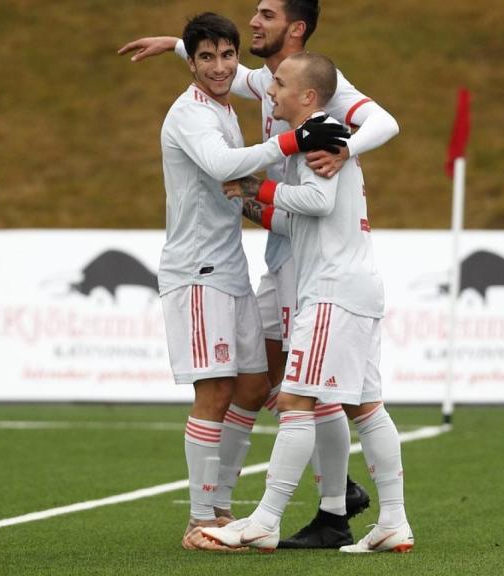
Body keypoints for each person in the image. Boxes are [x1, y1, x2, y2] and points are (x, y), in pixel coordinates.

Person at [119, 0, 400, 548]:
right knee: (262, 387)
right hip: (275, 257)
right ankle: (249, 507)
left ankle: (323, 509)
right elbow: (224, 69)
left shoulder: (319, 99)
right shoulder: (267, 85)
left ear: (294, 30)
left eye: (266, 15)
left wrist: (338, 149)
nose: (254, 23)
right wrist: (178, 45)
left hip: (313, 267)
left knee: (305, 394)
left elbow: (383, 124)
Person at [201, 51, 413, 554]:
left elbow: (314, 201)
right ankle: (394, 521)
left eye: (278, 83)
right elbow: (301, 220)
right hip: (355, 284)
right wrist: (250, 201)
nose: (269, 91)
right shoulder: (316, 141)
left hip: (333, 291)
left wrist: (261, 185)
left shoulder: (321, 134)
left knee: (296, 401)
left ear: (308, 96)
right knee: (366, 406)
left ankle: (265, 520)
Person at [152, 12, 349, 551]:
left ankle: (220, 503)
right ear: (191, 63)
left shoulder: (223, 106)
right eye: (207, 57)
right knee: (214, 391)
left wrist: (265, 199)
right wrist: (294, 143)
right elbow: (222, 165)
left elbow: (234, 186)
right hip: (197, 273)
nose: (220, 67)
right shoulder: (190, 115)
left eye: (228, 55)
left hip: (231, 267)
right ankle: (200, 518)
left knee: (252, 388)